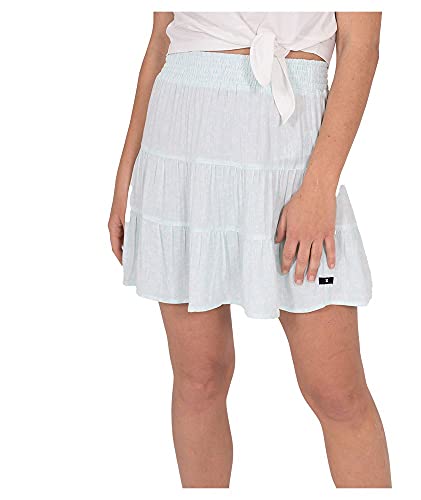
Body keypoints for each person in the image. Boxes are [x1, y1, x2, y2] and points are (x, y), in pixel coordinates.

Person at [108, 12, 390, 488]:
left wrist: (319, 188)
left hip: (293, 157)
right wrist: (125, 174)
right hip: (183, 146)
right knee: (199, 379)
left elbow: (361, 46)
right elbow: (160, 39)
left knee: (337, 393)